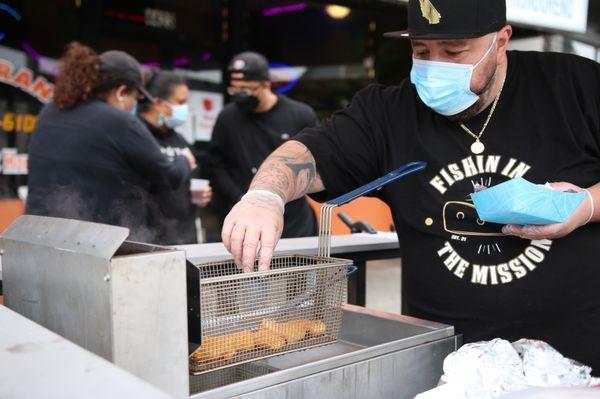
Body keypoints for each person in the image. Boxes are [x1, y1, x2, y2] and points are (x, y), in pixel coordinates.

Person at [221, 0, 600, 372]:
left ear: (501, 42)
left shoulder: (573, 87)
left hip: (576, 364)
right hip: (447, 369)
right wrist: (265, 195)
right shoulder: (388, 114)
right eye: (421, 50)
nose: (436, 66)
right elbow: (311, 153)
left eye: (454, 51)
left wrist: (586, 205)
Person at [26, 42, 196, 242]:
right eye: (134, 98)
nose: (134, 106)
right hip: (95, 244)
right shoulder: (121, 123)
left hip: (37, 235)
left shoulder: (49, 111)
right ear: (121, 92)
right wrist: (185, 161)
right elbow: (170, 176)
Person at [208, 51, 319, 239]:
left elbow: (316, 159)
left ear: (266, 85)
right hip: (245, 220)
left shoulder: (300, 114)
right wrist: (242, 198)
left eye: (246, 90)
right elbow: (216, 165)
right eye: (235, 90)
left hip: (293, 221)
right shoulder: (227, 117)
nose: (240, 95)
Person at [138, 70, 212, 245]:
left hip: (185, 235)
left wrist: (198, 195)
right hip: (151, 238)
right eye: (180, 102)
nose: (184, 108)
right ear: (158, 102)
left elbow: (193, 177)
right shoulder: (139, 134)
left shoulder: (179, 139)